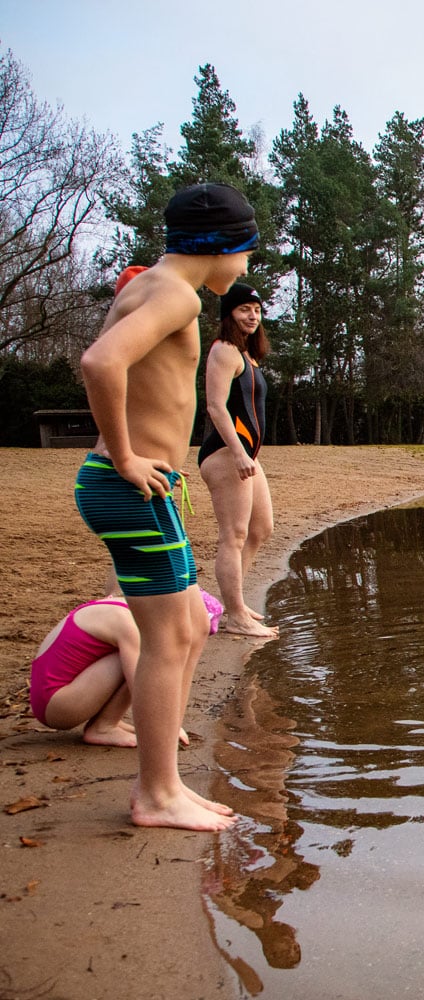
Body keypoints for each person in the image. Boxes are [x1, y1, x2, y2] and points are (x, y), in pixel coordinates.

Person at [74, 181, 257, 831]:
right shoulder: (176, 294)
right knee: (169, 634)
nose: (244, 272)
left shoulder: (148, 284)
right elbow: (101, 363)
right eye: (245, 255)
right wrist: (124, 457)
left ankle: (167, 784)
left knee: (186, 626)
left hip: (137, 487)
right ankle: (156, 793)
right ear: (221, 245)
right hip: (127, 485)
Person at [29, 591, 224, 747]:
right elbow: (144, 687)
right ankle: (103, 727)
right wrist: (168, 729)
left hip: (56, 694)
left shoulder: (125, 606)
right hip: (58, 706)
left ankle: (106, 721)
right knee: (151, 660)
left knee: (146, 655)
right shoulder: (129, 625)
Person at [198, 281, 277, 638]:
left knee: (261, 529)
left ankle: (236, 603)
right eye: (245, 309)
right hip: (225, 453)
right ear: (229, 312)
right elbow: (215, 405)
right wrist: (237, 451)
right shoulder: (224, 351)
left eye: (257, 311)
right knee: (234, 534)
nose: (252, 316)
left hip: (245, 455)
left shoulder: (247, 355)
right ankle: (234, 616)